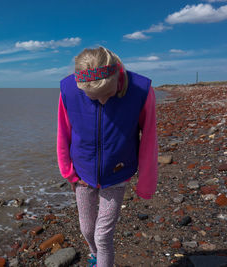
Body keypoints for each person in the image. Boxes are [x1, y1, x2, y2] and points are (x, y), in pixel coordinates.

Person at [57, 47, 158, 267]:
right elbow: (63, 133)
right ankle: (94, 256)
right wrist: (69, 173)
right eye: (94, 98)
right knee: (87, 229)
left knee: (103, 236)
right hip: (82, 172)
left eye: (108, 94)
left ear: (117, 76)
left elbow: (150, 138)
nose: (102, 101)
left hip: (117, 173)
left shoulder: (141, 90)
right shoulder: (68, 90)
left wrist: (146, 184)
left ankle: (103, 259)